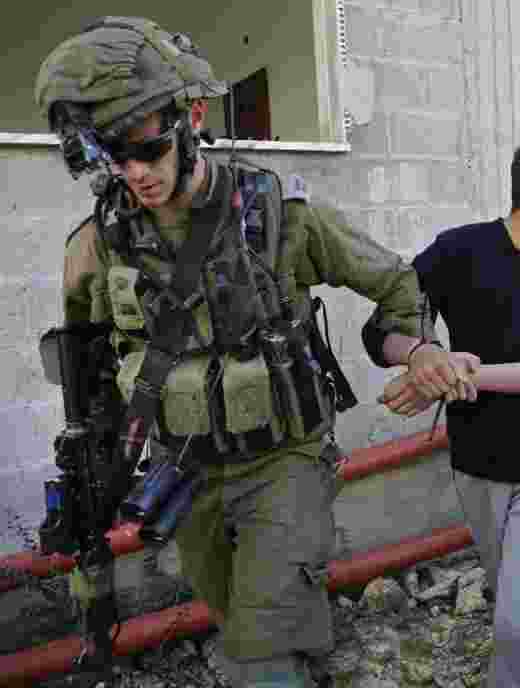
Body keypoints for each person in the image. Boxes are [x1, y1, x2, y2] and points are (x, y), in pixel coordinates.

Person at [37, 17, 471, 687]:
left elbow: (396, 282)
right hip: (185, 474)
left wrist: (414, 348)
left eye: (146, 148)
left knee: (256, 660)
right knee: (239, 620)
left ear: (193, 116)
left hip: (284, 461)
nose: (134, 173)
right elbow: (90, 377)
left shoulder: (277, 216)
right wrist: (93, 479)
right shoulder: (94, 247)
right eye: (110, 156)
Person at [376, 126, 520, 688]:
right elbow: (383, 325)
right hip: (475, 461)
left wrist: (452, 375)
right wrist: (424, 355)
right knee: (519, 612)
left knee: (513, 629)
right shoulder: (458, 250)